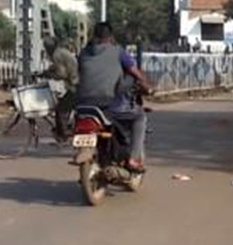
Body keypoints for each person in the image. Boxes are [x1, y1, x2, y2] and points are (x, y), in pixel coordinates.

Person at [76, 22, 152, 170]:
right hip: (109, 105)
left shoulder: (83, 53)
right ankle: (133, 159)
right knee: (139, 117)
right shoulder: (118, 52)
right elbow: (135, 73)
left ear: (94, 35)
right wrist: (147, 86)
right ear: (110, 37)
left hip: (83, 107)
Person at [42, 35, 79, 134]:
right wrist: (48, 70)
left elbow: (62, 74)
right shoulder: (60, 52)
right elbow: (59, 66)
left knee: (60, 110)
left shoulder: (56, 55)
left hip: (75, 86)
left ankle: (63, 135)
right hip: (76, 84)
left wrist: (49, 75)